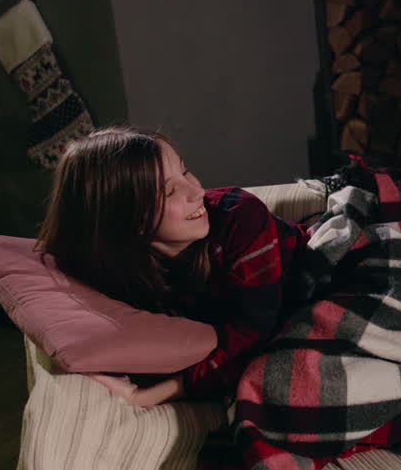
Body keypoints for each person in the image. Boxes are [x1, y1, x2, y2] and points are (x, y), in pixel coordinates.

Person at [37, 127, 309, 406]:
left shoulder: (239, 216)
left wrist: (146, 396)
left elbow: (253, 337)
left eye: (186, 171)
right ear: (123, 218)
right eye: (168, 191)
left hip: (317, 282)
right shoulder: (109, 272)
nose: (197, 191)